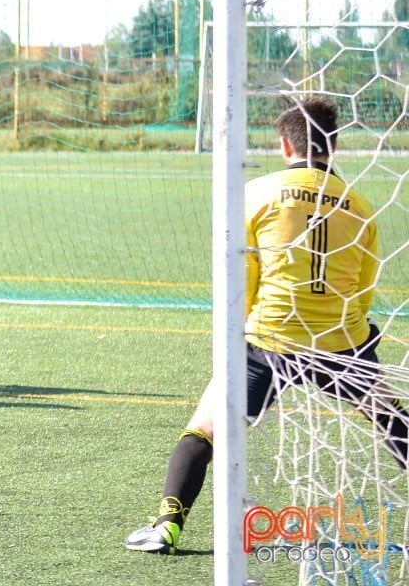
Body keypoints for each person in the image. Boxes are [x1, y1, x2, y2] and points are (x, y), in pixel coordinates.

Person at [124, 96, 409, 555]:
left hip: (268, 339)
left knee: (204, 428)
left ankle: (166, 527)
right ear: (334, 146)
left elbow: (242, 282)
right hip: (341, 342)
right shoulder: (361, 206)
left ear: (284, 145)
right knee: (390, 417)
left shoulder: (255, 192)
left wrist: (237, 342)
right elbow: (363, 286)